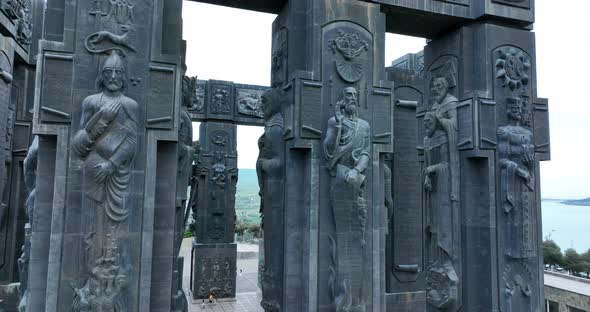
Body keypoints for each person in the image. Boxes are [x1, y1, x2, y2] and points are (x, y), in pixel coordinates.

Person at [72, 50, 138, 226]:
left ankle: (109, 251)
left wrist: (112, 164)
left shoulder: (129, 105)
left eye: (118, 72)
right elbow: (79, 139)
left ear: (124, 76)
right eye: (108, 71)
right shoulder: (91, 102)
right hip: (92, 167)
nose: (113, 76)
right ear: (102, 75)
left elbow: (132, 141)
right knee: (90, 222)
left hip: (117, 172)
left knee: (114, 227)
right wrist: (101, 121)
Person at [322, 86, 370, 312]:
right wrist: (339, 124)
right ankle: (343, 297)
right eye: (348, 95)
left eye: (354, 95)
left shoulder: (364, 126)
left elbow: (367, 153)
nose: (352, 98)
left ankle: (356, 297)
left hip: (356, 181)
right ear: (342, 99)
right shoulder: (334, 121)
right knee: (342, 237)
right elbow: (329, 149)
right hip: (339, 180)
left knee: (358, 237)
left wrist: (357, 170)